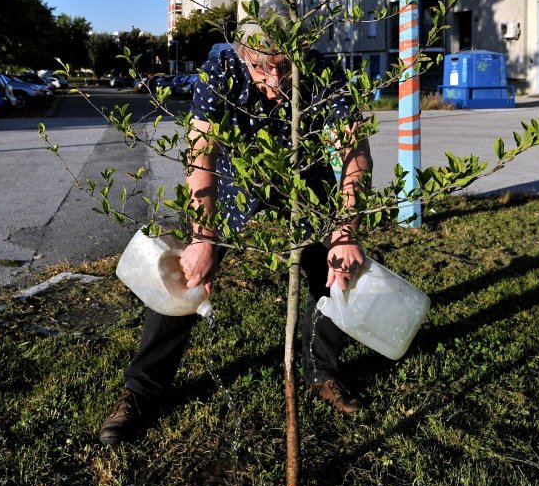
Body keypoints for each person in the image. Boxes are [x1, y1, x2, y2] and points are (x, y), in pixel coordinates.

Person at [99, 41, 373, 444]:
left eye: (284, 66)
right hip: (236, 176)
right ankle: (141, 392)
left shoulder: (321, 70)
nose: (275, 79)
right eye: (262, 66)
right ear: (244, 53)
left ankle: (323, 371)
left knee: (332, 267)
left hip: (303, 175)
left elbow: (355, 150)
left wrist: (345, 232)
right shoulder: (221, 70)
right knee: (183, 271)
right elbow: (201, 152)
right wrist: (202, 238)